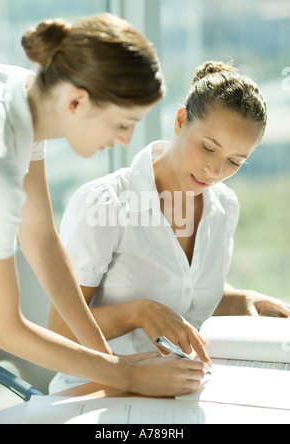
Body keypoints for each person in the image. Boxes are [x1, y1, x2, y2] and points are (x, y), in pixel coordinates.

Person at [0, 13, 208, 398]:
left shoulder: (25, 101)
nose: (126, 141)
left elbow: (40, 236)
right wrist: (125, 376)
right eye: (122, 124)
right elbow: (6, 327)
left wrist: (110, 364)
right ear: (77, 101)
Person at [48, 60, 290, 393]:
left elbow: (185, 292)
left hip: (181, 388)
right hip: (97, 391)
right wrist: (139, 313)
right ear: (180, 121)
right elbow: (59, 328)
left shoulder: (223, 207)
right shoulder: (106, 203)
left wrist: (240, 299)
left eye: (235, 161)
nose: (214, 171)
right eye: (208, 147)